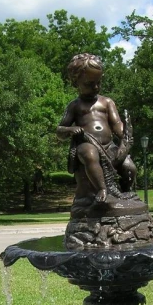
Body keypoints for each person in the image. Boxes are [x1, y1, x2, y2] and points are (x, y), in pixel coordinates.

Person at [56, 53, 136, 205]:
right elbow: (59, 131)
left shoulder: (106, 102)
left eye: (98, 82)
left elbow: (116, 123)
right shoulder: (75, 105)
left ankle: (126, 192)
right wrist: (70, 130)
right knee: (90, 155)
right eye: (89, 83)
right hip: (86, 144)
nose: (96, 87)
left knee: (129, 166)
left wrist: (122, 135)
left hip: (108, 146)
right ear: (76, 83)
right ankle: (102, 189)